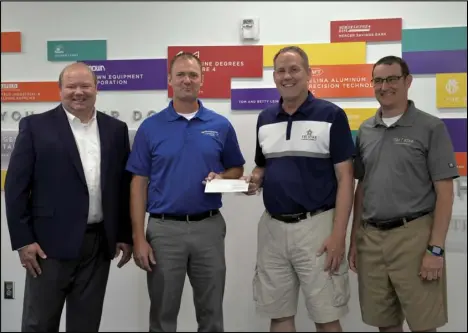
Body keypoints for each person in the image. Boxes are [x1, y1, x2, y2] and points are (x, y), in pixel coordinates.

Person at [4, 62, 133, 332]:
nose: (78, 92)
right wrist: (23, 240)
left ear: (97, 89)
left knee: (86, 325)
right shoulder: (35, 127)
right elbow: (15, 187)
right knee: (39, 324)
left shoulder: (116, 130)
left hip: (98, 246)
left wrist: (123, 234)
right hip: (47, 247)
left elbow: (121, 187)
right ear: (60, 89)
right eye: (71, 86)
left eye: (85, 86)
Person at [126, 51, 245, 332]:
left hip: (209, 228)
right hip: (164, 231)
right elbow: (138, 183)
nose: (187, 80)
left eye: (193, 75)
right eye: (180, 74)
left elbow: (237, 169)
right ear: (170, 80)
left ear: (201, 80)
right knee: (163, 315)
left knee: (211, 312)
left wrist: (222, 175)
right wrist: (138, 237)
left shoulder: (220, 125)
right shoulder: (150, 128)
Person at [243, 46, 355, 332]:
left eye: (294, 69)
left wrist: (338, 236)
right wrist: (255, 179)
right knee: (278, 314)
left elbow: (346, 179)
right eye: (280, 70)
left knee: (326, 315)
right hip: (272, 229)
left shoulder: (332, 115)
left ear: (309, 74)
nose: (287, 76)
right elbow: (264, 166)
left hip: (317, 228)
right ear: (274, 77)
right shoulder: (265, 118)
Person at [348, 55, 459, 332]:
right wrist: (354, 240)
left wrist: (435, 249)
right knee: (384, 323)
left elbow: (445, 193)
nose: (385, 86)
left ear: (408, 82)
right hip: (371, 239)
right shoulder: (365, 130)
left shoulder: (430, 127)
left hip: (414, 238)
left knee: (423, 324)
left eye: (392, 79)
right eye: (378, 80)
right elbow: (362, 187)